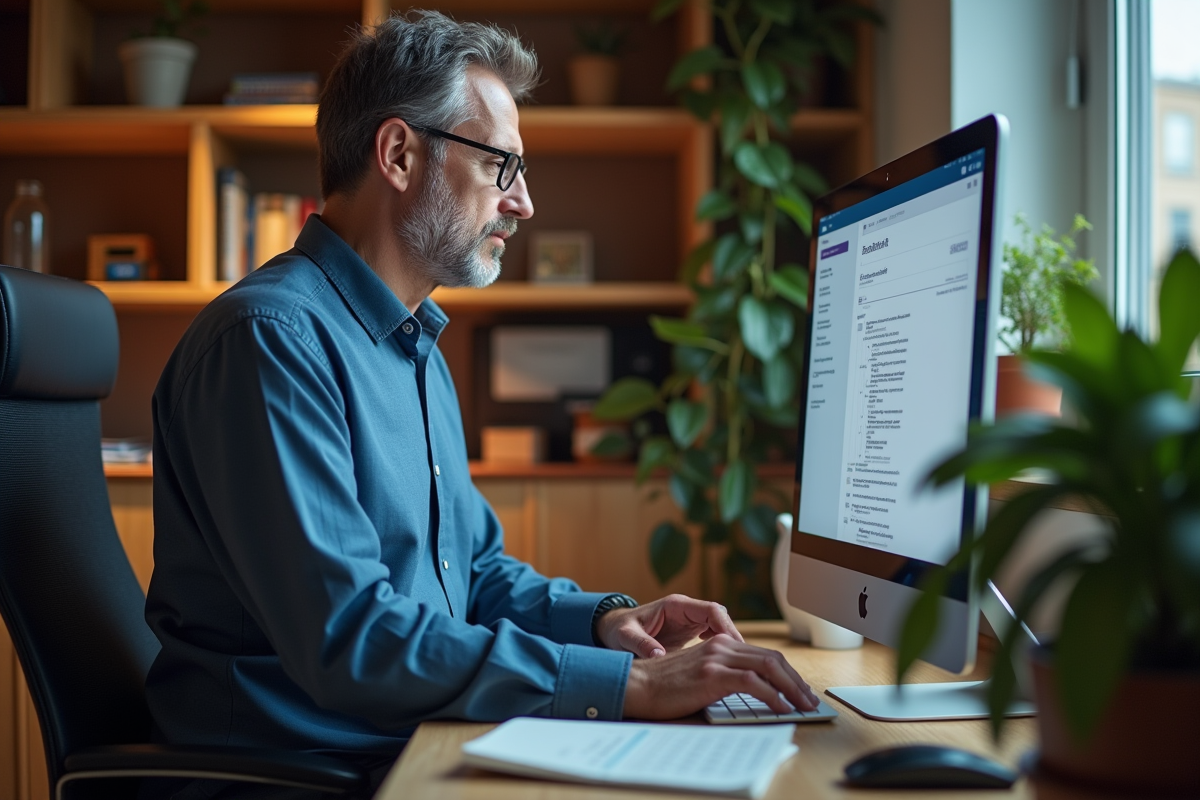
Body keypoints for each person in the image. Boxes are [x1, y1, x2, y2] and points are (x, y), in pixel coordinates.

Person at [145, 10, 818, 796]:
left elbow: (472, 573)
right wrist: (630, 687)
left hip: (404, 744)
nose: (524, 202)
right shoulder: (269, 341)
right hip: (300, 773)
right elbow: (351, 638)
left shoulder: (413, 344)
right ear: (398, 154)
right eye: (503, 164)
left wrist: (604, 622)